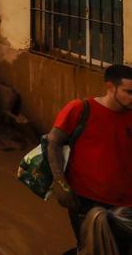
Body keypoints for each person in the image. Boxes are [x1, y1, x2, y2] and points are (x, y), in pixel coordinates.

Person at [47, 63, 132, 252]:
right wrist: (60, 183)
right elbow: (54, 143)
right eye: (129, 92)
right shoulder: (80, 109)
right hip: (86, 200)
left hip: (126, 201)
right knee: (91, 248)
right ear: (110, 87)